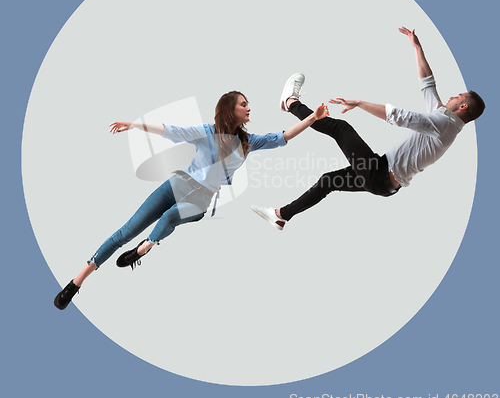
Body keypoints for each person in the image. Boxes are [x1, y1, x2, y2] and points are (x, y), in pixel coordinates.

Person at [54, 91, 329, 310]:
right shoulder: (206, 132)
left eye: (248, 105)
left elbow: (282, 136)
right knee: (125, 232)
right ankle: (76, 283)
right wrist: (134, 125)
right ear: (229, 108)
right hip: (174, 185)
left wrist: (312, 118)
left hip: (200, 200)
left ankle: (145, 248)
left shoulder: (249, 142)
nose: (249, 108)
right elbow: (171, 130)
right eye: (244, 104)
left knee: (169, 217)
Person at [251, 27, 486, 230]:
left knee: (341, 129)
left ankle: (290, 103)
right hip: (382, 176)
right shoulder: (445, 120)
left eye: (458, 95)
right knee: (328, 181)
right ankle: (281, 216)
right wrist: (417, 48)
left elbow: (401, 116)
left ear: (463, 106)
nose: (452, 96)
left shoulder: (444, 124)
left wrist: (360, 103)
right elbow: (428, 85)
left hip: (380, 174)